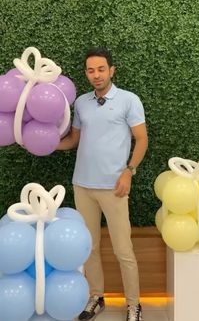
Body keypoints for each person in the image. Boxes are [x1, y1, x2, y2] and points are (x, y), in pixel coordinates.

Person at [58, 46, 148, 321]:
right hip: (82, 185)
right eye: (90, 70)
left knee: (124, 251)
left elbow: (141, 139)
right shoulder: (81, 103)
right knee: (90, 247)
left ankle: (134, 305)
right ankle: (96, 297)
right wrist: (43, 144)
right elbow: (74, 140)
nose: (95, 75)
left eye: (100, 69)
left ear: (111, 70)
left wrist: (129, 171)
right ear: (86, 73)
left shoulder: (129, 100)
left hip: (114, 187)